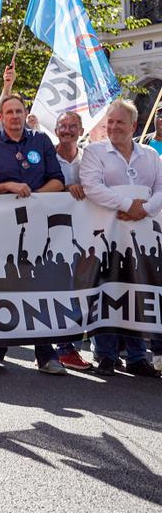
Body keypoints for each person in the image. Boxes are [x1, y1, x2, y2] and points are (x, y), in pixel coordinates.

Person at [0, 94, 66, 375]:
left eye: (19, 111)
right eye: (9, 112)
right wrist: (9, 187)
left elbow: (57, 179)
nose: (15, 116)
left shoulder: (40, 141)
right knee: (4, 285)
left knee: (38, 286)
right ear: (1, 117)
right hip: (2, 226)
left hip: (39, 224)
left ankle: (45, 353)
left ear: (26, 114)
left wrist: (35, 197)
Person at [78, 99, 162, 378]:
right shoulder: (94, 152)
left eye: (119, 122)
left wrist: (145, 209)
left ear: (133, 126)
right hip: (106, 237)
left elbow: (160, 188)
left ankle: (138, 356)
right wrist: (129, 204)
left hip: (142, 238)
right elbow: (92, 187)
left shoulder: (150, 155)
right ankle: (105, 354)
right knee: (107, 290)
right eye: (109, 122)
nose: (113, 127)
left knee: (137, 290)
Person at [53, 111, 92, 371]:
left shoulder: (89, 158)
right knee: (55, 289)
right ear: (56, 130)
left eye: (72, 126)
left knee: (79, 290)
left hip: (85, 235)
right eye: (62, 126)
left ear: (80, 130)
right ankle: (61, 348)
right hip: (53, 236)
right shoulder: (48, 157)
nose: (67, 130)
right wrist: (65, 189)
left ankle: (69, 345)